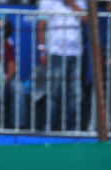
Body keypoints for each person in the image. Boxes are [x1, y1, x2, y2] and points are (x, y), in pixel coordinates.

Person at [37, 0, 86, 131]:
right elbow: (41, 25)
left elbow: (87, 18)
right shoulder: (47, 2)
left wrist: (72, 4)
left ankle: (72, 128)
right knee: (54, 91)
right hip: (56, 52)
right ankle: (48, 126)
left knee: (74, 93)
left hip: (75, 53)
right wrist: (42, 50)